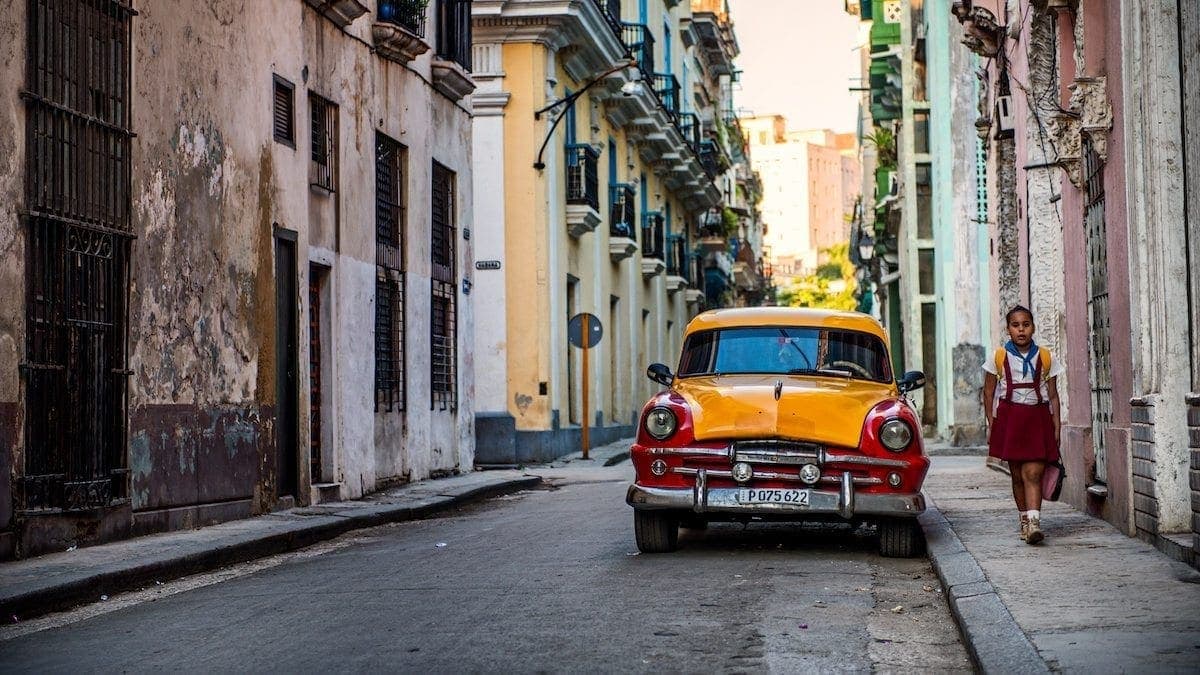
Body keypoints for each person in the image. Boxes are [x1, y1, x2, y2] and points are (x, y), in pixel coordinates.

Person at [981, 305, 1063, 545]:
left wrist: (1056, 425)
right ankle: (1024, 520)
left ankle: (1035, 523)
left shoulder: (1046, 357)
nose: (1021, 330)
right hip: (1010, 419)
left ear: (1033, 327)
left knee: (1034, 472)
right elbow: (988, 393)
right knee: (1017, 475)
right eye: (1016, 325)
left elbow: (1054, 395)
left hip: (1038, 419)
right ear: (1008, 329)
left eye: (1026, 325)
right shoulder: (997, 358)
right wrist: (991, 424)